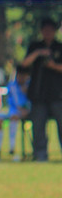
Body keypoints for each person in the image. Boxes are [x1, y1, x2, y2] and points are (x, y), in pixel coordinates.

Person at [20, 17, 62, 162]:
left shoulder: (59, 47)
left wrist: (53, 66)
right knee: (38, 125)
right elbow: (24, 64)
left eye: (51, 30)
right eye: (45, 30)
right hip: (38, 94)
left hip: (58, 94)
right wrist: (38, 53)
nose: (48, 32)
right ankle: (40, 154)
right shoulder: (35, 47)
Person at [4, 66, 31, 161]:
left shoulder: (30, 85)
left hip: (30, 110)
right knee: (13, 117)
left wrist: (27, 109)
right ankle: (12, 147)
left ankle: (33, 148)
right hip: (15, 110)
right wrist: (21, 109)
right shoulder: (12, 86)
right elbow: (14, 102)